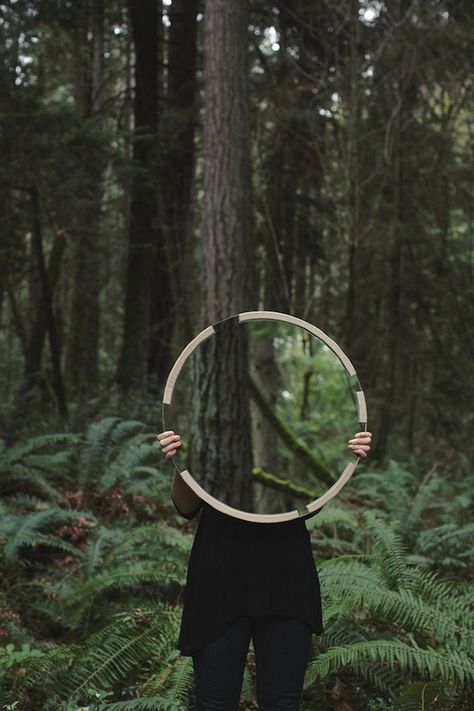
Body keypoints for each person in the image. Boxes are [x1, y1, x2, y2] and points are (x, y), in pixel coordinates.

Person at [158, 429, 372, 710]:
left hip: (286, 574)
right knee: (214, 704)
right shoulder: (209, 437)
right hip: (219, 572)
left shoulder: (287, 449)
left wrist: (347, 460)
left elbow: (312, 500)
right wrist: (179, 461)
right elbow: (186, 506)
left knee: (282, 703)